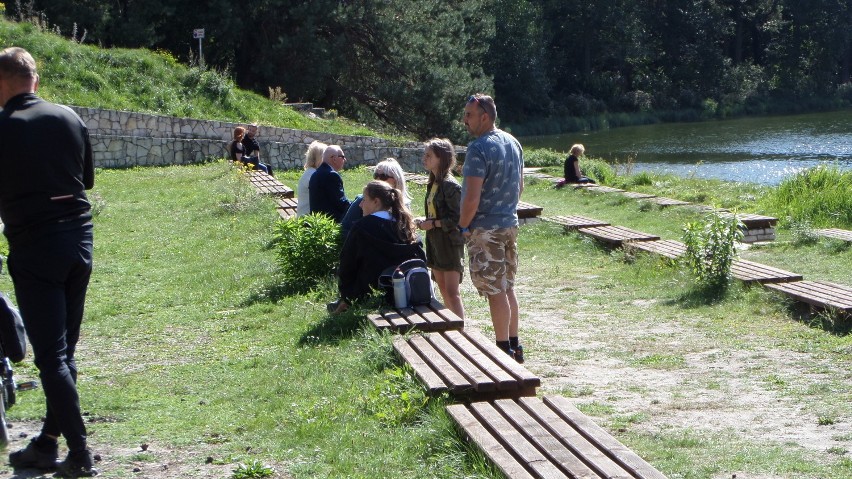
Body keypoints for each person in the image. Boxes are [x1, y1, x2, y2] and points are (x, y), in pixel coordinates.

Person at [0, 47, 98, 476]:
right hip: (79, 242)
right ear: (34, 79)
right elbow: (87, 179)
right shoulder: (69, 117)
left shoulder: (3, 128)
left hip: (36, 246)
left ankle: (80, 454)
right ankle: (46, 443)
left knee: (52, 358)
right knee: (65, 352)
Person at [458, 93, 525, 363]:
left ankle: (502, 352)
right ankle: (515, 345)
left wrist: (463, 226)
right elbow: (520, 187)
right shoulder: (514, 143)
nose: (465, 120)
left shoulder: (478, 148)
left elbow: (471, 197)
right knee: (507, 286)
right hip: (509, 224)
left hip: (486, 229)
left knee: (495, 290)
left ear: (485, 116)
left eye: (469, 115)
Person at [329, 180, 425, 313]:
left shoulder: (362, 227)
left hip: (367, 294)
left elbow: (347, 264)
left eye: (364, 200)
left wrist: (347, 295)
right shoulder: (404, 227)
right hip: (407, 293)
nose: (361, 205)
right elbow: (421, 260)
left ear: (376, 202)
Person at [415, 138, 465, 319]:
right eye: (424, 154)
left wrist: (434, 223)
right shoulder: (433, 182)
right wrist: (426, 220)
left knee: (452, 292)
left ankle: (461, 331)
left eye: (429, 155)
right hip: (435, 242)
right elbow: (436, 212)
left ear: (441, 158)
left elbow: (459, 218)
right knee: (443, 289)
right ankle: (451, 327)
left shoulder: (450, 185)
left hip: (450, 243)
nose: (424, 158)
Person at [340, 158, 411, 239]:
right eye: (375, 176)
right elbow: (345, 229)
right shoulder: (363, 201)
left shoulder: (404, 204)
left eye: (383, 176)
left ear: (396, 180)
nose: (377, 180)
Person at [309, 145, 350, 222]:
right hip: (331, 225)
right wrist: (357, 204)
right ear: (334, 159)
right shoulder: (331, 175)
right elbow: (341, 204)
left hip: (318, 223)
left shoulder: (316, 173)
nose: (345, 159)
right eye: (342, 156)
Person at [296, 141, 327, 217]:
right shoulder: (314, 175)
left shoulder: (310, 172)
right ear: (320, 158)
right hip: (307, 219)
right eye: (326, 156)